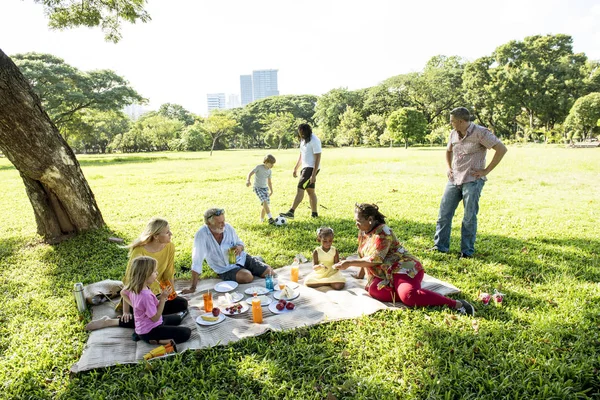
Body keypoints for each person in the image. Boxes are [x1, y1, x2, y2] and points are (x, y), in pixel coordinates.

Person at [333, 203, 474, 315]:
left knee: (409, 296)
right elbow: (363, 254)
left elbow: (375, 260)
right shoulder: (363, 231)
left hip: (403, 267)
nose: (356, 224)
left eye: (358, 221)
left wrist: (349, 263)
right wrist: (360, 275)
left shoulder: (383, 232)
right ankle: (414, 294)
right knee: (374, 290)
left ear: (370, 220)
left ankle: (457, 304)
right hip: (386, 273)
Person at [85, 218, 188, 331]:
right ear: (156, 236)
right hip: (139, 297)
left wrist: (171, 294)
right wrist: (125, 311)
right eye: (167, 232)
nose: (171, 234)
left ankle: (154, 318)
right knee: (149, 316)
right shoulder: (139, 252)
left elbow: (168, 274)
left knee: (182, 303)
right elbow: (130, 282)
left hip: (156, 296)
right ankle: (111, 321)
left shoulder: (170, 247)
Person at [431, 107, 507, 258]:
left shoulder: (481, 132)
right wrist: (448, 167)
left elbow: (501, 149)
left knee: (469, 217)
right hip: (454, 179)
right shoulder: (454, 133)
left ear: (460, 121)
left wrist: (486, 171)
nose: (450, 123)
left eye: (452, 121)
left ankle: (466, 252)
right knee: (444, 214)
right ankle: (440, 247)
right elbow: (448, 150)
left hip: (472, 180)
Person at [183, 208, 275, 293]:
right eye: (219, 222)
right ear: (209, 223)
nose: (223, 224)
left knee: (270, 272)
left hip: (241, 258)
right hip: (225, 269)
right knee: (248, 277)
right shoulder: (201, 235)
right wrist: (192, 287)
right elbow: (197, 261)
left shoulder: (228, 228)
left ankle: (255, 261)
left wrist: (239, 248)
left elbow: (240, 243)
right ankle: (253, 264)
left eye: (223, 221)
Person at [121, 256, 191, 344]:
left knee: (177, 319)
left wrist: (135, 305)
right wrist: (162, 299)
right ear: (146, 274)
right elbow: (155, 318)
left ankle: (139, 334)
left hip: (148, 324)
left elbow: (122, 293)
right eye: (154, 271)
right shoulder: (145, 296)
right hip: (150, 330)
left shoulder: (135, 287)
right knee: (186, 333)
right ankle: (154, 340)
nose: (157, 273)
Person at [279, 123, 322, 219]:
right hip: (305, 167)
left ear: (307, 131)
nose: (301, 134)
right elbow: (302, 155)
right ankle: (314, 214)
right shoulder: (303, 140)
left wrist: (313, 174)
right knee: (310, 191)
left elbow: (318, 157)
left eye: (302, 132)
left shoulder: (314, 140)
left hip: (311, 168)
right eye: (300, 132)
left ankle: (291, 212)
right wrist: (296, 167)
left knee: (300, 188)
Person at [246, 154, 276, 224]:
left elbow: (269, 182)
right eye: (271, 163)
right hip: (257, 188)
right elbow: (250, 173)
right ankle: (270, 218)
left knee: (265, 206)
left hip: (265, 189)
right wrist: (248, 180)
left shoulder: (269, 171)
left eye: (273, 164)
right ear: (266, 162)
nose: (272, 165)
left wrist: (271, 190)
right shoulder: (259, 167)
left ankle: (261, 220)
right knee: (264, 201)